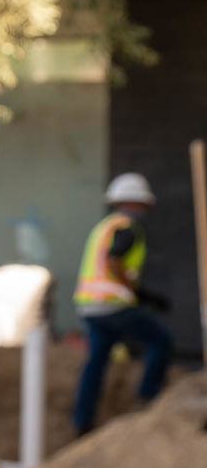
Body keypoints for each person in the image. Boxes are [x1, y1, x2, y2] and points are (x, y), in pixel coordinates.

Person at [71, 172, 174, 436]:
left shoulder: (105, 226)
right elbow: (114, 261)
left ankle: (82, 422)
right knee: (161, 340)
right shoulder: (128, 228)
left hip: (90, 307)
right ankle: (146, 398)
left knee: (96, 361)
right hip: (113, 306)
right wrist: (140, 294)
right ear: (140, 203)